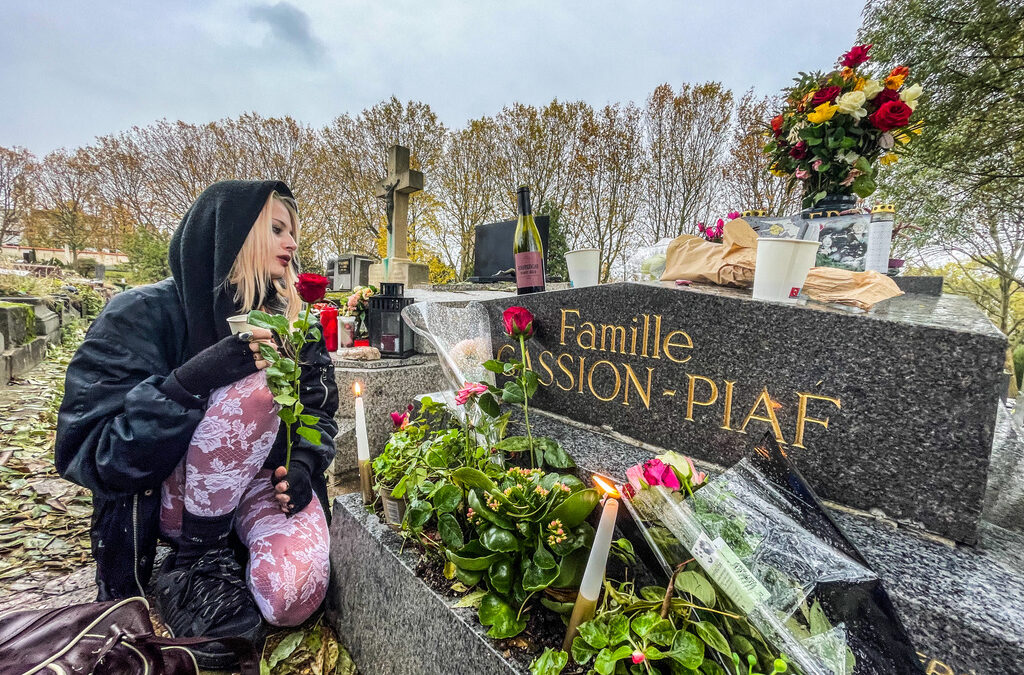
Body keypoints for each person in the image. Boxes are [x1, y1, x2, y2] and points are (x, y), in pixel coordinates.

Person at [55, 180, 339, 669]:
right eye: (276, 229)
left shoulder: (295, 322)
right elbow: (89, 453)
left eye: (293, 231)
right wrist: (188, 383)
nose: (292, 245)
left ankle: (237, 556)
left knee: (292, 598)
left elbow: (318, 411)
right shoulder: (139, 314)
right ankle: (192, 565)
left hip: (256, 489)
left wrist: (306, 464)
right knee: (255, 385)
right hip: (172, 504)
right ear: (228, 234)